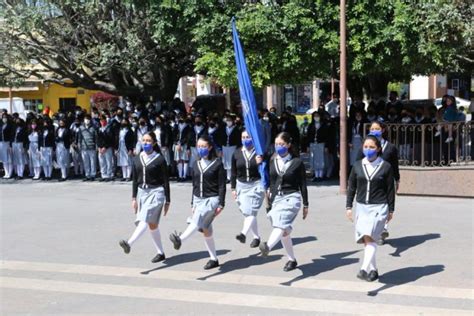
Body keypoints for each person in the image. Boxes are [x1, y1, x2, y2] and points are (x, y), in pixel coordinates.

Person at [169, 135, 226, 270]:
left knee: (198, 218)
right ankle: (214, 258)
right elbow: (194, 185)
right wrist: (193, 203)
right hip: (198, 199)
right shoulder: (195, 164)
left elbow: (222, 185)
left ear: (210, 147)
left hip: (212, 199)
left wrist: (221, 204)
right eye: (199, 146)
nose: (201, 149)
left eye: (204, 146)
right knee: (206, 229)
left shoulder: (217, 163)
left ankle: (180, 239)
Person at [346, 135, 395, 282]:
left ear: (378, 149)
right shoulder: (357, 165)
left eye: (372, 147)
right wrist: (348, 206)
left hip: (379, 207)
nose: (368, 150)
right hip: (362, 207)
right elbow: (352, 187)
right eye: (366, 147)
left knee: (370, 237)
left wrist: (391, 210)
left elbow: (390, 189)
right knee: (367, 240)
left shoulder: (385, 166)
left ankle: (363, 269)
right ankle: (373, 270)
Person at [259, 132, 309, 272]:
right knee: (284, 231)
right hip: (277, 199)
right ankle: (292, 260)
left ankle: (267, 246)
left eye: (281, 144)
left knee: (280, 226)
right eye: (276, 144)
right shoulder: (272, 160)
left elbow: (303, 184)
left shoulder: (297, 162)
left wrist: (306, 204)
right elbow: (272, 181)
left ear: (288, 145)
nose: (278, 147)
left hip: (291, 198)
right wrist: (270, 197)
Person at [119, 132, 171, 263]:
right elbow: (135, 179)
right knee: (152, 224)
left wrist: (168, 200)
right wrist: (133, 198)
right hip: (143, 193)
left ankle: (129, 243)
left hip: (156, 192)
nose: (146, 143)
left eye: (148, 141)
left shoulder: (159, 159)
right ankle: (160, 252)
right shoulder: (137, 158)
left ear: (154, 143)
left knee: (145, 219)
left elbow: (165, 180)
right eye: (144, 140)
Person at [356, 121, 400, 244]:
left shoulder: (390, 147)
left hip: (386, 180)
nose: (374, 130)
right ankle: (376, 231)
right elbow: (357, 164)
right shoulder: (365, 146)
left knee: (384, 205)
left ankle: (383, 229)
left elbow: (395, 165)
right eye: (372, 128)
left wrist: (397, 179)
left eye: (377, 128)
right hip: (372, 181)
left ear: (383, 130)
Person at [231, 130, 264, 248]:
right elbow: (233, 172)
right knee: (248, 213)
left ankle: (243, 233)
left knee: (252, 211)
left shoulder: (259, 152)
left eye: (248, 137)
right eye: (243, 137)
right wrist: (233, 188)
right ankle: (256, 237)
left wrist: (261, 162)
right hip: (242, 185)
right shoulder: (236, 153)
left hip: (256, 185)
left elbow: (266, 170)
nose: (245, 139)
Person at [307, 111, 328, 182]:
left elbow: (326, 136)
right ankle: (316, 175)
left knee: (321, 159)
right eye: (315, 116)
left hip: (321, 144)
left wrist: (326, 146)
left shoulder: (324, 125)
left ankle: (320, 175)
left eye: (317, 116)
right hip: (313, 144)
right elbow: (308, 136)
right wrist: (308, 146)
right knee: (314, 159)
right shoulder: (311, 125)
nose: (316, 117)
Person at [77, 114, 98, 181]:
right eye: (86, 119)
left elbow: (96, 137)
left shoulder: (94, 127)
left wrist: (97, 145)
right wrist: (79, 144)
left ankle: (93, 175)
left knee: (92, 162)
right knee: (86, 162)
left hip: (92, 147)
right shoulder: (81, 128)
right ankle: (87, 175)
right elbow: (79, 137)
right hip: (84, 147)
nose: (87, 120)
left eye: (88, 119)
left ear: (90, 120)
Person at [172, 115, 192, 182]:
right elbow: (173, 135)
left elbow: (188, 137)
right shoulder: (176, 126)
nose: (180, 119)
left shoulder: (187, 126)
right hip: (177, 145)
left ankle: (184, 176)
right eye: (179, 118)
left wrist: (181, 143)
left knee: (185, 159)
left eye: (182, 117)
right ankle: (180, 175)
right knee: (178, 160)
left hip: (185, 144)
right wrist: (177, 143)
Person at [221, 114, 241, 181]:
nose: (228, 122)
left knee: (231, 161)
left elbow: (238, 139)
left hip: (232, 147)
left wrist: (238, 148)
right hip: (225, 147)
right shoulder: (223, 128)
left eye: (230, 120)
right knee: (225, 161)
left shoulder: (236, 129)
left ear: (233, 121)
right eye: (227, 120)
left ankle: (233, 176)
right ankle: (227, 176)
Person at [0, 114, 14, 178]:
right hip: (1, 143)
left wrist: (10, 144)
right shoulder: (1, 125)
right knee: (4, 159)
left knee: (9, 159)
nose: (4, 118)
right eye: (3, 117)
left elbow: (11, 136)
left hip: (7, 143)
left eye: (5, 117)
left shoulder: (10, 126)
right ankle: (6, 173)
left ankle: (10, 173)